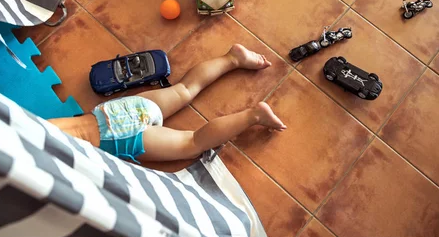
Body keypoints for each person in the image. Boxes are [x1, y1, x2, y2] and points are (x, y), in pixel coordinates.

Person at [49, 44, 287, 163]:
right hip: (108, 113)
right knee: (183, 90)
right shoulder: (22, 124)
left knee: (192, 142)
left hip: (118, 139)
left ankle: (253, 115)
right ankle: (233, 58)